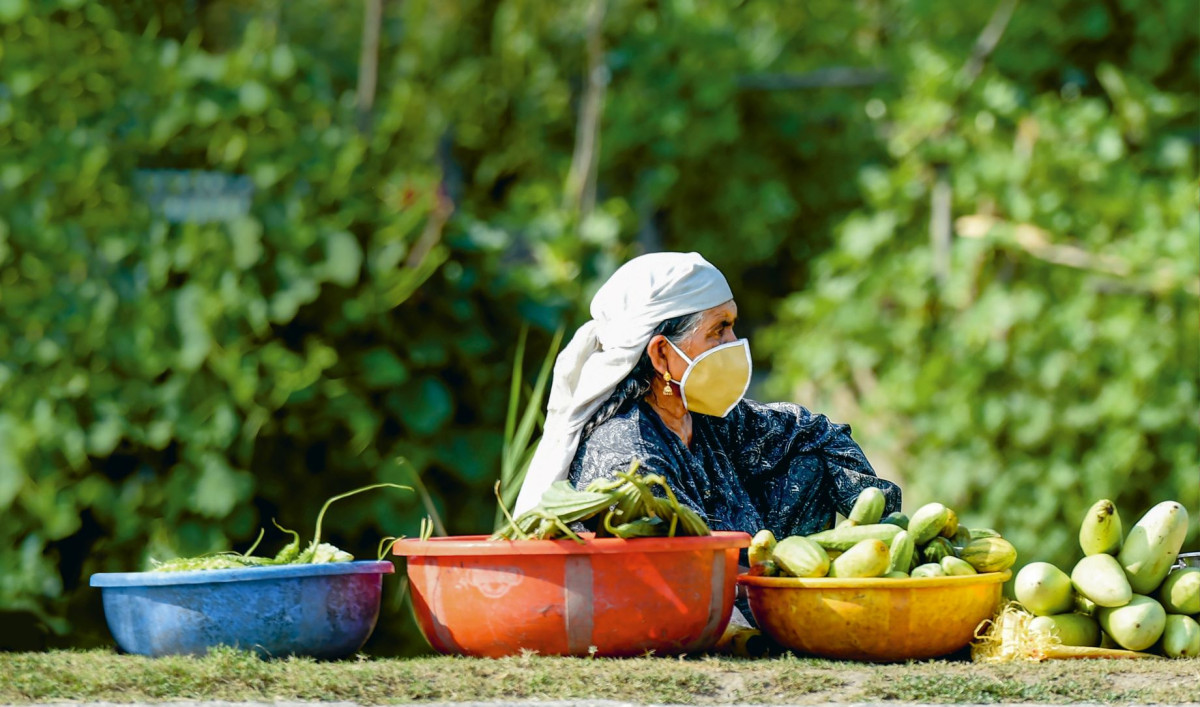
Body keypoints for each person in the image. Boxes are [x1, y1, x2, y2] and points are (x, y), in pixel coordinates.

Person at [514, 251, 900, 539]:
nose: (733, 343)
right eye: (719, 330)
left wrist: (880, 524)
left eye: (732, 326)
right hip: (693, 598)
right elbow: (686, 560)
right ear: (662, 353)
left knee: (812, 462)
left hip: (751, 572)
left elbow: (813, 430)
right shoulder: (628, 452)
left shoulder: (709, 418)